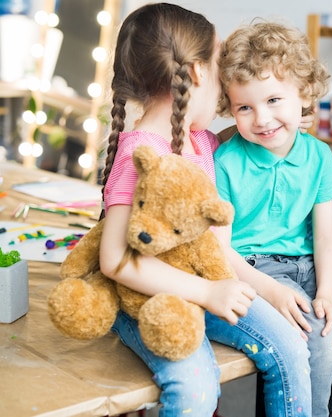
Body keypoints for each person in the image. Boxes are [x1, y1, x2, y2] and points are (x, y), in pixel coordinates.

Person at [98, 4, 312, 417]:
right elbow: (115, 259)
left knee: (289, 345)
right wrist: (209, 293)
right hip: (150, 300)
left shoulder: (204, 144)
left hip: (211, 286)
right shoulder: (138, 153)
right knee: (196, 389)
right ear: (197, 72)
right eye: (219, 65)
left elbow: (215, 247)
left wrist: (281, 118)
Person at [214, 21, 332, 417]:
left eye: (274, 100)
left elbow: (325, 238)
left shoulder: (319, 156)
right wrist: (269, 290)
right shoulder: (224, 161)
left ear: (303, 95)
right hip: (253, 271)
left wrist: (325, 293)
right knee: (322, 339)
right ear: (230, 108)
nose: (262, 119)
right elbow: (220, 251)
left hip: (307, 267)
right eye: (245, 107)